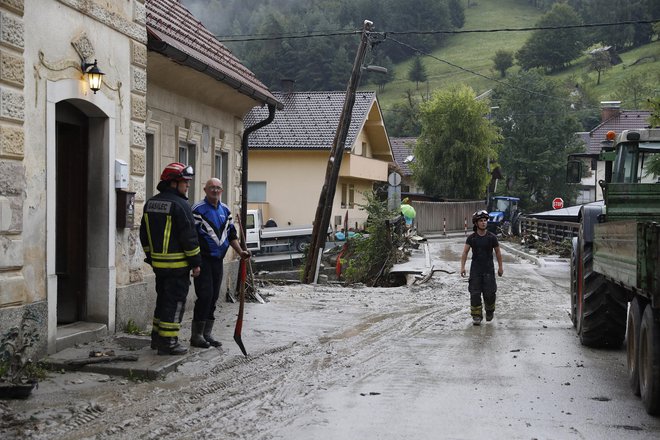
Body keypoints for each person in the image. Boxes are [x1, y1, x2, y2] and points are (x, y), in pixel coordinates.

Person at [140, 163, 201, 355]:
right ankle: (169, 342)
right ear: (173, 183)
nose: (187, 186)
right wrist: (196, 263)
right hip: (178, 266)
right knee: (174, 302)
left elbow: (144, 234)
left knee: (163, 300)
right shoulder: (181, 205)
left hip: (158, 265)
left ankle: (157, 338)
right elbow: (189, 237)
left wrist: (150, 256)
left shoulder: (150, 203)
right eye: (185, 182)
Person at [190, 178, 250, 348]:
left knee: (214, 296)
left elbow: (231, 235)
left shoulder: (225, 210)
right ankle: (196, 335)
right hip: (202, 260)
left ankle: (207, 333)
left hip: (218, 261)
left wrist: (241, 252)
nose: (215, 191)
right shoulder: (198, 210)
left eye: (218, 188)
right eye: (211, 188)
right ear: (205, 189)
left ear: (221, 191)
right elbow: (191, 237)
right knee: (205, 295)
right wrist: (194, 262)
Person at [460, 210, 504, 326]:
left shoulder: (492, 237)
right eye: (481, 221)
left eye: (485, 220)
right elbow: (465, 253)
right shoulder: (472, 238)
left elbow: (498, 253)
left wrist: (500, 267)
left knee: (489, 293)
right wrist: (462, 267)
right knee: (474, 293)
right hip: (476, 270)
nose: (484, 223)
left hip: (489, 269)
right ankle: (476, 316)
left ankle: (489, 311)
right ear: (476, 223)